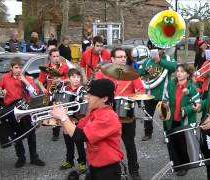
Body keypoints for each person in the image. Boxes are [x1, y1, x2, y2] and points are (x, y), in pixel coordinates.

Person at [51, 79, 124, 180]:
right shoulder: (93, 112)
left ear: (104, 98)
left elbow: (80, 137)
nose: (87, 97)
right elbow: (72, 133)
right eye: (87, 94)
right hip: (93, 165)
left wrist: (64, 117)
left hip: (108, 170)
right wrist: (61, 121)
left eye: (91, 95)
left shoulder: (109, 117)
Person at [94, 48, 144, 180]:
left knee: (129, 143)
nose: (123, 59)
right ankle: (108, 169)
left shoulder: (132, 74)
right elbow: (94, 93)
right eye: (120, 57)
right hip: (107, 115)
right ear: (112, 59)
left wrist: (133, 96)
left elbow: (141, 91)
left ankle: (134, 169)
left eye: (124, 57)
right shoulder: (102, 74)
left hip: (126, 115)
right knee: (106, 144)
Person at [0, 57, 45, 168]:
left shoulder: (27, 78)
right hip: (10, 109)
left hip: (25, 107)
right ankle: (21, 158)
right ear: (11, 68)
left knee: (31, 134)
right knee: (17, 136)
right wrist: (1, 92)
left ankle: (34, 157)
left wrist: (25, 81)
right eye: (16, 68)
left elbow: (34, 94)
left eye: (20, 67)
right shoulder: (5, 78)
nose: (19, 70)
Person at [163, 63, 201, 176]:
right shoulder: (171, 84)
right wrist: (165, 104)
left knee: (183, 144)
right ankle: (176, 164)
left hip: (184, 121)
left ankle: (184, 165)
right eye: (178, 71)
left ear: (188, 74)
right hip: (171, 119)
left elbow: (196, 105)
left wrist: (186, 110)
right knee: (172, 142)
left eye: (182, 71)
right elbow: (165, 98)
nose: (178, 73)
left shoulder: (192, 88)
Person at [137, 47, 177, 141]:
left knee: (165, 115)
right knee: (148, 115)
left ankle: (167, 135)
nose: (159, 51)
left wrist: (159, 61)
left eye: (160, 49)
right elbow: (139, 73)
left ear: (164, 50)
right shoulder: (147, 61)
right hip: (150, 92)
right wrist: (146, 72)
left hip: (163, 94)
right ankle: (148, 133)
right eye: (156, 49)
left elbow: (173, 67)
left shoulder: (168, 59)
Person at [57, 69, 87, 174]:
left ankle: (82, 162)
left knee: (79, 142)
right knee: (68, 142)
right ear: (69, 78)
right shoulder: (64, 88)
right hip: (66, 119)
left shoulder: (83, 90)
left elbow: (84, 106)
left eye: (78, 77)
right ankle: (69, 160)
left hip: (78, 119)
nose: (76, 79)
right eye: (73, 77)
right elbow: (57, 98)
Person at [37, 48, 69, 141]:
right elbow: (39, 81)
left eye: (57, 56)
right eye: (54, 56)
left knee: (61, 112)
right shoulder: (45, 68)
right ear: (50, 57)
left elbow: (69, 79)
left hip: (61, 92)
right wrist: (42, 88)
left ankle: (63, 131)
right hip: (50, 93)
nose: (56, 58)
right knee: (53, 113)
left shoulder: (64, 67)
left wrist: (61, 80)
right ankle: (56, 131)